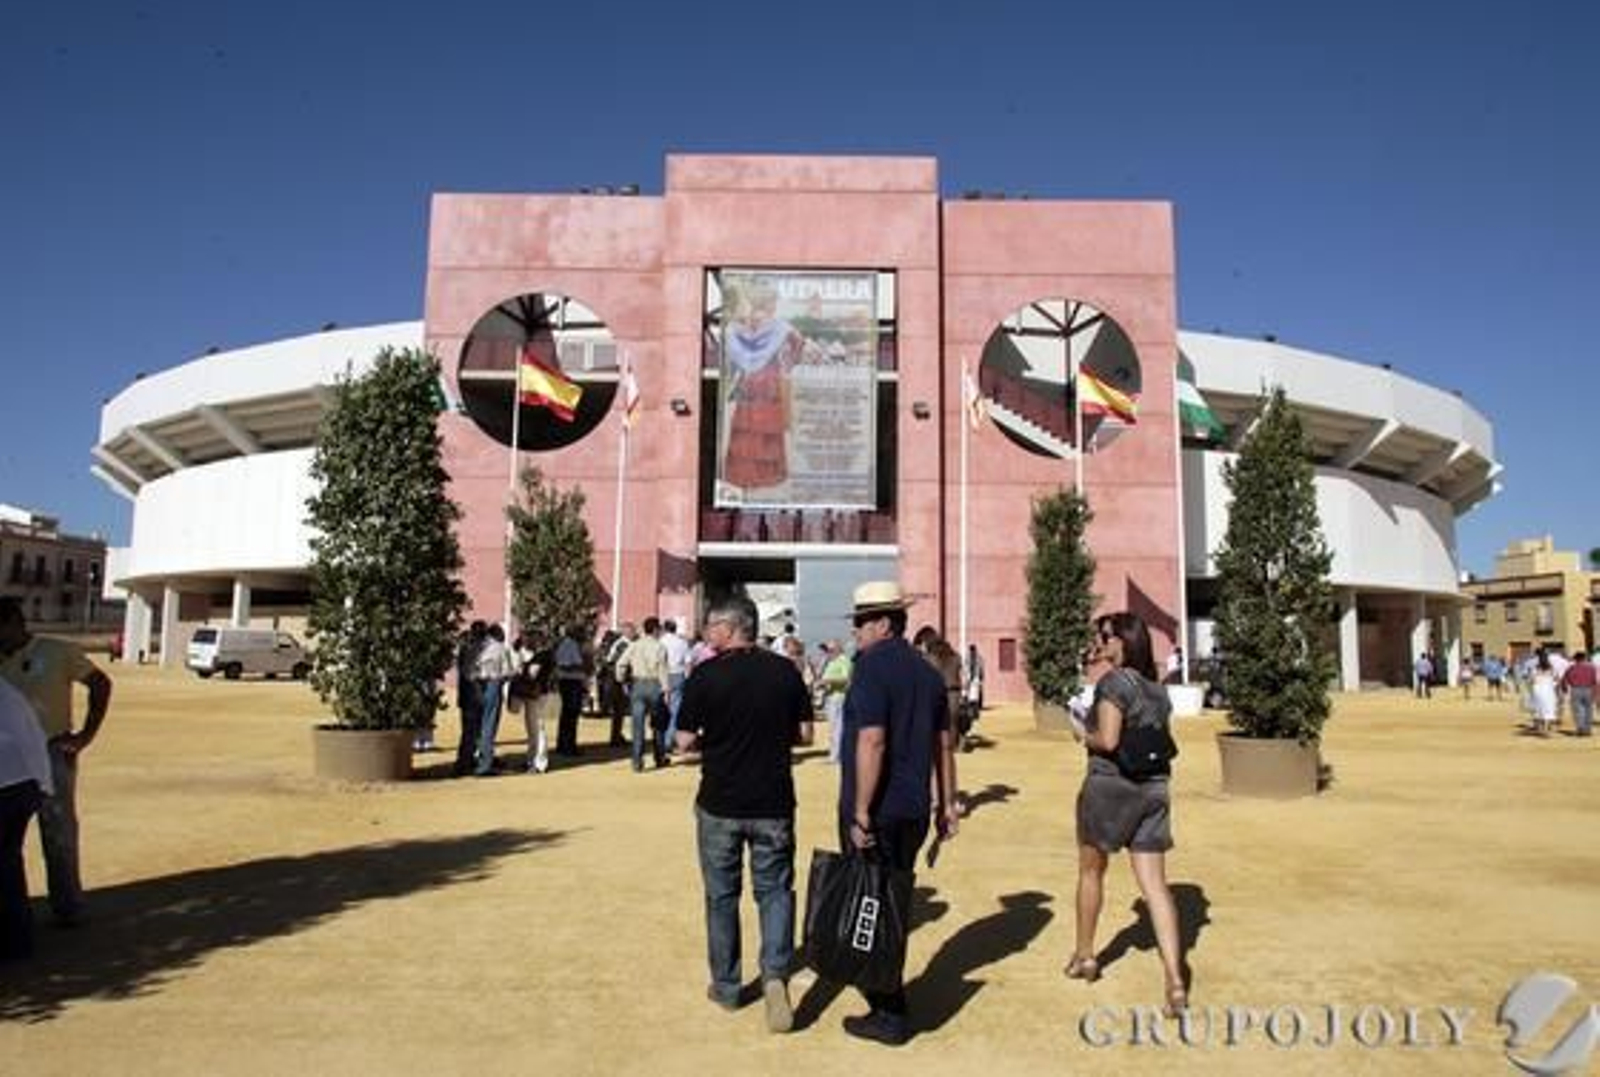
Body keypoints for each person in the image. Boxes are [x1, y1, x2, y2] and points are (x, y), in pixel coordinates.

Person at [675, 595, 814, 1032]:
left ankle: (728, 985)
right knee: (775, 892)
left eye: (711, 625)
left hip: (720, 801)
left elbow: (681, 741)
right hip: (773, 801)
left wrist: (709, 742)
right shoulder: (785, 672)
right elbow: (807, 735)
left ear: (731, 627)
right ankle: (775, 974)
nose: (707, 632)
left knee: (721, 896)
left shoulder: (706, 675)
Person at [837, 581, 959, 1046]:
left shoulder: (870, 668)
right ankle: (887, 999)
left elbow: (872, 739)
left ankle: (888, 1009)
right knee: (894, 901)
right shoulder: (928, 674)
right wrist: (947, 803)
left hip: (879, 807)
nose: (857, 632)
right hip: (913, 810)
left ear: (885, 624)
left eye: (863, 623)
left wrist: (861, 810)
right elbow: (944, 746)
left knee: (871, 903)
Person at [1065, 611, 1188, 1020]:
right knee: (1156, 886)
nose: (1100, 642)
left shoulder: (1114, 683)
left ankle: (1085, 955)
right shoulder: (1157, 690)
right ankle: (1174, 979)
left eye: (1105, 635)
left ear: (1123, 641)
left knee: (1091, 872)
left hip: (1110, 787)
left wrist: (1081, 731)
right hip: (1154, 788)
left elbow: (1108, 739)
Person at [0, 594, 113, 926]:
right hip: (6, 758)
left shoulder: (57, 651)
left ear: (15, 624)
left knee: (58, 831)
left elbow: (100, 683)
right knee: (5, 839)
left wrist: (85, 735)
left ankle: (67, 906)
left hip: (50, 752)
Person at [722, 277, 807, 492]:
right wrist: (787, 361)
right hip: (769, 380)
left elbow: (732, 353)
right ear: (769, 303)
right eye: (774, 301)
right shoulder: (780, 326)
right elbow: (798, 345)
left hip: (749, 383)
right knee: (767, 430)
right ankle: (767, 478)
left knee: (746, 427)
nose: (775, 304)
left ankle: (742, 476)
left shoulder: (740, 326)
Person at [0, 677, 53, 959]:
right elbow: (33, 737)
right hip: (25, 784)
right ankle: (18, 940)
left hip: (7, 786)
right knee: (8, 864)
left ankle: (14, 941)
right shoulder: (8, 690)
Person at [616, 617, 670, 772]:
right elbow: (663, 670)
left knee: (637, 726)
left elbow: (621, 663)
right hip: (654, 685)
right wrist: (666, 690)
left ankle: (637, 762)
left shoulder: (634, 645)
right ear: (655, 630)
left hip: (638, 684)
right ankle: (659, 758)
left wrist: (621, 680)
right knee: (658, 724)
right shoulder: (660, 647)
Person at [473, 624, 515, 776]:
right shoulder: (500, 648)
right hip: (493, 684)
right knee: (489, 725)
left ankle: (474, 758)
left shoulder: (475, 646)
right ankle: (485, 765)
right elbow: (508, 672)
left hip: (475, 686)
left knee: (475, 724)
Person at [453, 621, 488, 776]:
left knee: (470, 730)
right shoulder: (474, 649)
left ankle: (467, 759)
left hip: (466, 695)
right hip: (473, 695)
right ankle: (464, 762)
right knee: (471, 731)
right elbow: (471, 674)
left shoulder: (465, 648)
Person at [553, 625, 588, 757]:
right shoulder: (570, 645)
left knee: (568, 716)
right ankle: (568, 746)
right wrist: (581, 666)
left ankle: (564, 745)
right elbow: (563, 665)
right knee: (570, 716)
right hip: (570, 682)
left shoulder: (569, 644)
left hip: (571, 682)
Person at [816, 640, 852, 764]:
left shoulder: (844, 661)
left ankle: (836, 756)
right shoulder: (833, 661)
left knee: (838, 728)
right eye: (828, 650)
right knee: (833, 727)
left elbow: (846, 678)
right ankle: (834, 753)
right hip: (831, 696)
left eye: (830, 650)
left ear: (838, 649)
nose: (828, 653)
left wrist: (828, 681)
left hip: (838, 697)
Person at [661, 619, 691, 749]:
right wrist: (688, 679)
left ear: (664, 628)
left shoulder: (660, 642)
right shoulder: (682, 643)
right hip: (678, 675)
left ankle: (660, 739)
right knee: (675, 710)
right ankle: (668, 740)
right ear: (675, 628)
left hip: (662, 675)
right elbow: (688, 663)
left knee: (661, 709)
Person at [1560, 650, 1595, 737]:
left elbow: (1564, 679)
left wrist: (1564, 689)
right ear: (1585, 658)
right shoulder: (1591, 668)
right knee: (1588, 710)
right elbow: (1594, 681)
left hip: (1576, 689)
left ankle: (1580, 728)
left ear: (1575, 659)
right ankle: (1588, 729)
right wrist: (1596, 692)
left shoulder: (1571, 668)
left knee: (1577, 710)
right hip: (1588, 689)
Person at [1528, 651, 1559, 736]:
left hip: (1537, 689)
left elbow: (1532, 680)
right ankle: (1546, 728)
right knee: (1548, 708)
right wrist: (1553, 684)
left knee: (1539, 708)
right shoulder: (1551, 668)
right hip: (1548, 689)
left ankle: (1541, 727)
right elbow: (1556, 678)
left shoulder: (1535, 668)